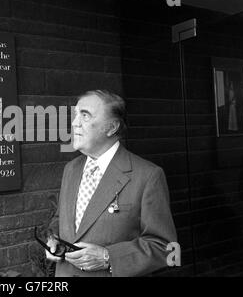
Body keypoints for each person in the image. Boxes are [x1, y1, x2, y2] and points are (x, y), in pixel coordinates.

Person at [46, 90, 177, 277]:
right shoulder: (71, 169)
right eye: (76, 115)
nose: (74, 123)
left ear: (111, 127)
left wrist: (108, 257)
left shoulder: (148, 176)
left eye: (85, 115)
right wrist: (54, 240)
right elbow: (60, 219)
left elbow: (167, 249)